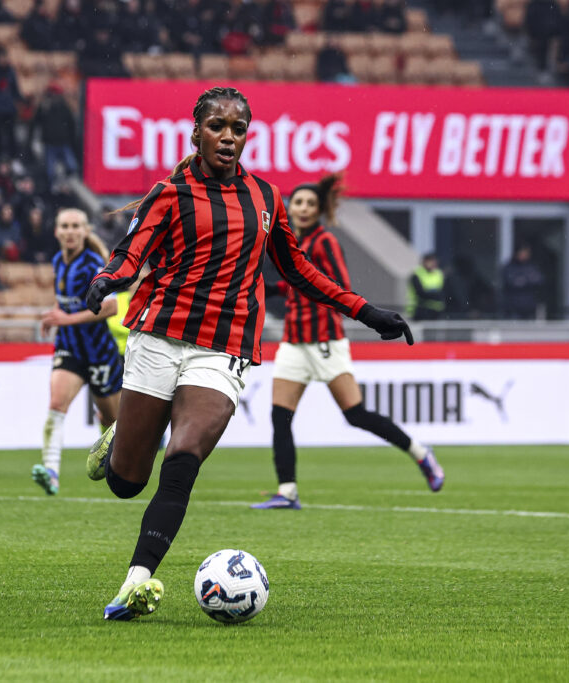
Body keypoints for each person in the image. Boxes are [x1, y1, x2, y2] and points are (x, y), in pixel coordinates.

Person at [81, 87, 414, 621]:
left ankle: (136, 581)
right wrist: (107, 281)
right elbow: (130, 254)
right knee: (126, 482)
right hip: (159, 335)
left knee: (184, 457)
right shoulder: (170, 193)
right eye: (218, 126)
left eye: (238, 128)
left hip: (225, 347)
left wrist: (366, 310)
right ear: (196, 132)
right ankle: (120, 438)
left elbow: (298, 268)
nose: (229, 137)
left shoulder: (265, 198)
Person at [252, 175, 443, 511]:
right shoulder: (292, 243)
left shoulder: (325, 242)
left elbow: (337, 285)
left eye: (311, 203)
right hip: (294, 343)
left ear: (319, 210)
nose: (304, 208)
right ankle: (287, 491)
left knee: (356, 415)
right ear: (289, 207)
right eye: (298, 202)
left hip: (325, 341)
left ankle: (421, 454)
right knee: (280, 417)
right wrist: (274, 289)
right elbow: (300, 285)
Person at [30, 208, 123, 496]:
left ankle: (114, 469)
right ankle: (51, 471)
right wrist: (56, 315)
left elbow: (112, 306)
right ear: (57, 232)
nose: (70, 231)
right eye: (65, 226)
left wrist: (65, 319)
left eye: (75, 226)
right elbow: (70, 304)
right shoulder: (58, 261)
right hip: (70, 347)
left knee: (112, 421)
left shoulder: (94, 264)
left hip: (99, 351)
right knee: (57, 404)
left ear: (85, 231)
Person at [500, 243, 544, 320]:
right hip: (513, 308)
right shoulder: (510, 267)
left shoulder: (531, 266)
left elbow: (539, 280)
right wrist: (528, 279)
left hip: (529, 308)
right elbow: (513, 282)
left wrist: (523, 280)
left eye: (527, 253)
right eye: (523, 252)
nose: (525, 255)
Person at [406, 252, 445, 321]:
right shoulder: (417, 274)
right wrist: (436, 294)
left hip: (436, 311)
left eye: (434, 261)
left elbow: (443, 292)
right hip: (419, 310)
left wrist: (431, 293)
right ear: (424, 262)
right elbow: (421, 293)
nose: (433, 263)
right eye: (430, 261)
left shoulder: (439, 274)